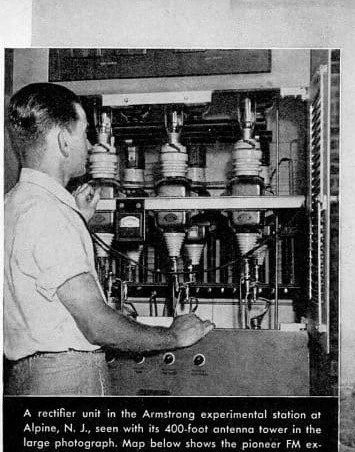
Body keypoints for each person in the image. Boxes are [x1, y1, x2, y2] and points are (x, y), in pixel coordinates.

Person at [4, 82, 213, 395]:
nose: (90, 146)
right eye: (85, 133)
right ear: (63, 141)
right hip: (65, 380)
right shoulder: (50, 216)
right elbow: (97, 325)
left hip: (23, 378)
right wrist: (173, 336)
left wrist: (78, 221)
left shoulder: (13, 205)